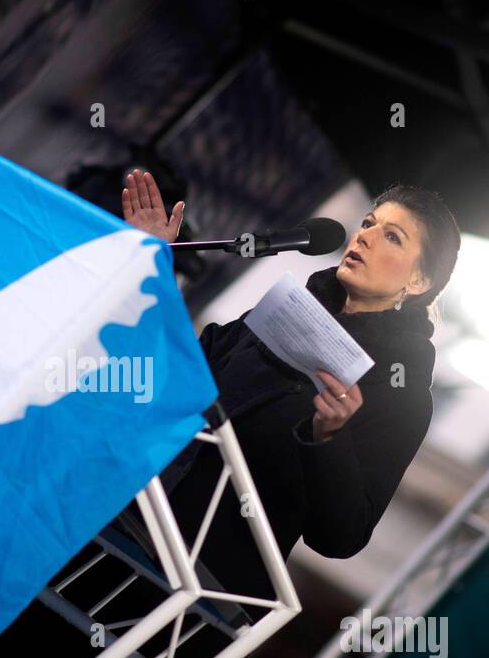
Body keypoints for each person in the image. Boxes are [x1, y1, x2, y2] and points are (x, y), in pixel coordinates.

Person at [120, 168, 461, 603]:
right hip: (129, 518)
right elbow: (177, 377)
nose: (365, 237)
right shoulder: (287, 312)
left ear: (418, 283)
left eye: (392, 237)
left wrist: (328, 438)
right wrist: (152, 272)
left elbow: (341, 535)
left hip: (200, 591)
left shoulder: (403, 393)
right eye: (369, 223)